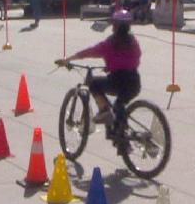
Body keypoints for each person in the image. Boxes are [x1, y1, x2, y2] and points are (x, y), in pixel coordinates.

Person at [56, 9, 141, 148]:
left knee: (94, 83)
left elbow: (89, 52)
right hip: (134, 82)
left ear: (115, 26)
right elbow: (135, 59)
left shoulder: (111, 43)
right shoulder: (133, 42)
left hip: (117, 81)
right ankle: (121, 134)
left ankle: (104, 111)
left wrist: (68, 59)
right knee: (120, 105)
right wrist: (113, 66)